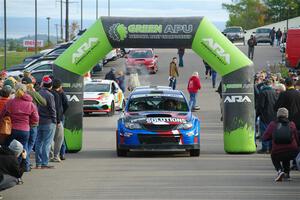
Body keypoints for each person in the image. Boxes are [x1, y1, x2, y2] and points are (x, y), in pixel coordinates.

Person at [1, 83, 39, 159]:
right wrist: (29, 123)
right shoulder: (30, 104)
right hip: (25, 129)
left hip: (12, 129)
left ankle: (8, 166)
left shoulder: (10, 102)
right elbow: (36, 119)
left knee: (6, 147)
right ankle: (24, 166)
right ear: (25, 92)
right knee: (23, 149)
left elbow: (2, 114)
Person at [263, 108, 300, 181]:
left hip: (277, 152)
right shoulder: (292, 124)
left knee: (273, 156)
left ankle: (280, 171)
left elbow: (265, 137)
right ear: (287, 115)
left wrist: (272, 137)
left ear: (277, 115)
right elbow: (296, 138)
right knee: (286, 157)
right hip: (292, 152)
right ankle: (287, 174)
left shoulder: (273, 124)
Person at [21, 77, 47, 171]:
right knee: (31, 143)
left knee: (24, 144)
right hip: (31, 122)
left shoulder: (18, 94)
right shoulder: (33, 93)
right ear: (30, 84)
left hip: (20, 122)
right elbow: (44, 102)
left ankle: (26, 165)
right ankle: (23, 158)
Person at [35, 76, 56, 169]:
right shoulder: (50, 95)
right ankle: (44, 162)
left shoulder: (38, 93)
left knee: (39, 142)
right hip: (48, 121)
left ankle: (38, 162)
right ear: (50, 85)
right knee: (47, 143)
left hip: (39, 121)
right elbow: (52, 109)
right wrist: (54, 120)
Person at [257, 79, 277, 154]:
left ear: (264, 85)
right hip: (273, 115)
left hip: (264, 115)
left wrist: (258, 114)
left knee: (264, 132)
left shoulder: (263, 92)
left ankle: (265, 148)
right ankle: (271, 148)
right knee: (272, 132)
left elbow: (260, 105)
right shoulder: (275, 92)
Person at [49, 79, 64, 163]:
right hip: (56, 120)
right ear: (59, 86)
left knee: (50, 139)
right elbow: (57, 109)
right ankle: (55, 156)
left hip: (46, 119)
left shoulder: (46, 93)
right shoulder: (57, 95)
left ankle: (50, 155)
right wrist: (58, 120)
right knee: (59, 138)